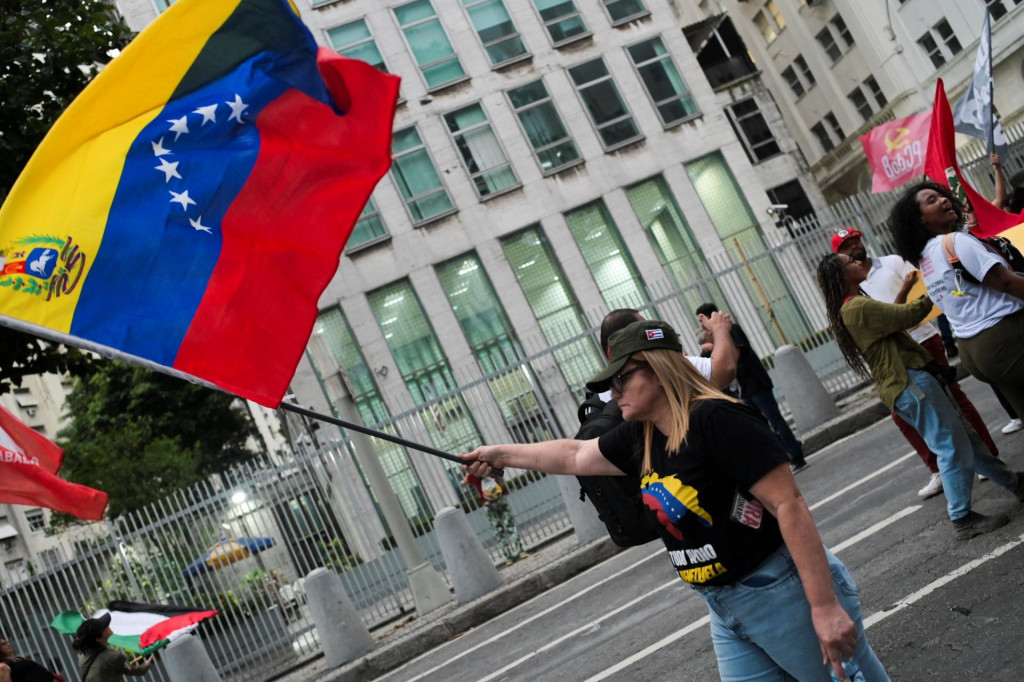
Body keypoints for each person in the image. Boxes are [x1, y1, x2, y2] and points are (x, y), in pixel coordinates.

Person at [462, 319, 888, 681]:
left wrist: (824, 606)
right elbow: (575, 454)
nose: (613, 392)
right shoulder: (642, 433)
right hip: (722, 604)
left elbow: (788, 504)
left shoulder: (717, 418)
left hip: (778, 591)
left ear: (659, 369)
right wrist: (500, 455)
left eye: (621, 378)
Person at [816, 252, 1024, 540]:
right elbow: (909, 315)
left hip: (907, 383)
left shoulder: (853, 307)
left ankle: (1014, 484)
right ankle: (961, 517)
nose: (858, 262)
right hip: (909, 383)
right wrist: (939, 287)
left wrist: (918, 289)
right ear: (841, 276)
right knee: (950, 447)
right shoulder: (857, 307)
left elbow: (895, 317)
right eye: (850, 262)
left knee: (966, 439)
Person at [830, 228, 1000, 498]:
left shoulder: (892, 263)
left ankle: (988, 461)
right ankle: (943, 471)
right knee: (914, 418)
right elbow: (896, 316)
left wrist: (929, 293)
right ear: (839, 265)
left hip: (922, 340)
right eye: (846, 248)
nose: (854, 249)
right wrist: (909, 295)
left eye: (855, 241)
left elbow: (920, 295)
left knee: (953, 401)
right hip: (898, 356)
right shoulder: (852, 296)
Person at [889, 181, 1024, 421]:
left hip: (973, 350)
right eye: (932, 201)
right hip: (1002, 337)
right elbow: (1005, 283)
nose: (943, 200)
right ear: (920, 219)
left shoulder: (925, 258)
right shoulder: (955, 242)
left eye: (941, 196)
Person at [694, 303, 808, 473]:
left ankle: (796, 456)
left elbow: (734, 356)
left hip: (755, 383)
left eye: (701, 320)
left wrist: (716, 348)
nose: (701, 325)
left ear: (710, 317)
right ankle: (789, 450)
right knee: (760, 426)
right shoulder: (718, 337)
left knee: (775, 420)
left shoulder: (731, 330)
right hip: (745, 389)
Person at [464, 473, 527, 565]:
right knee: (510, 525)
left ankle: (508, 557)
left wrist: (469, 472)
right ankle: (521, 551)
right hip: (500, 499)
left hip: (488, 504)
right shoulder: (490, 468)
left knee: (498, 530)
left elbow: (465, 481)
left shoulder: (473, 475)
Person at [72, 614, 152, 682]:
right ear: (98, 639)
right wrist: (147, 664)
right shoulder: (113, 657)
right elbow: (132, 670)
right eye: (103, 627)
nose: (107, 625)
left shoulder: (82, 657)